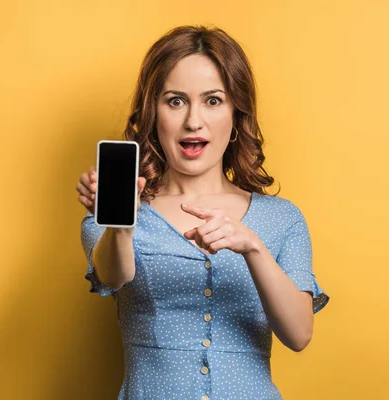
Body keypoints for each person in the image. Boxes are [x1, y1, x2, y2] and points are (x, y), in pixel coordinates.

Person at [76, 25, 329, 400]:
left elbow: (298, 335)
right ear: (153, 115)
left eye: (213, 101)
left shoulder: (282, 219)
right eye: (175, 101)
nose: (193, 120)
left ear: (235, 116)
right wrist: (122, 228)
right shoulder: (114, 215)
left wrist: (252, 247)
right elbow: (113, 275)